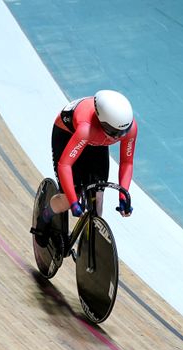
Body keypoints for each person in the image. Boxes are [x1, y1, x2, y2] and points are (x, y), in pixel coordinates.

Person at [32, 90, 137, 247]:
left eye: (123, 132)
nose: (118, 137)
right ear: (103, 123)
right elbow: (64, 165)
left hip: (97, 139)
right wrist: (74, 201)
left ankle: (88, 243)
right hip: (69, 134)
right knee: (67, 199)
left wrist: (123, 196)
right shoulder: (85, 128)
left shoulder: (128, 128)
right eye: (115, 133)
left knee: (98, 198)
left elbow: (127, 163)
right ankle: (43, 218)